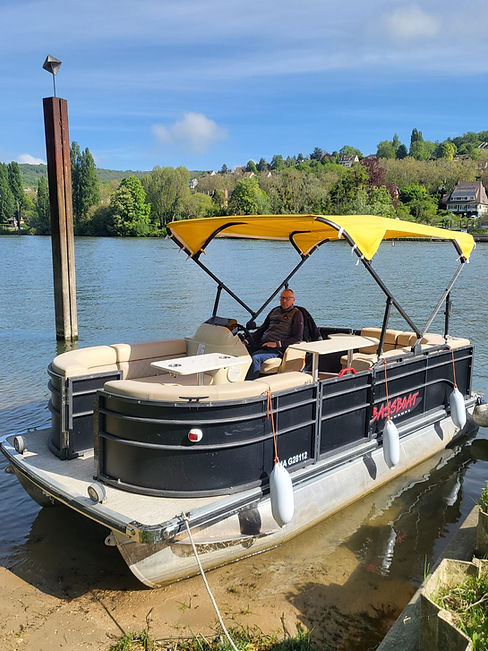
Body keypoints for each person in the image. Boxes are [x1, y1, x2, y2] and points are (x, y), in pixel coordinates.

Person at [245, 289, 304, 379]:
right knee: (241, 352)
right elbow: (262, 329)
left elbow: (297, 338)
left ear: (293, 300)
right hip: (264, 344)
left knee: (255, 358)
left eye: (287, 299)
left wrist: (277, 344)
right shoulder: (274, 311)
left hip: (278, 349)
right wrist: (247, 340)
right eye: (282, 298)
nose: (284, 301)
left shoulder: (297, 314)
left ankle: (251, 385)